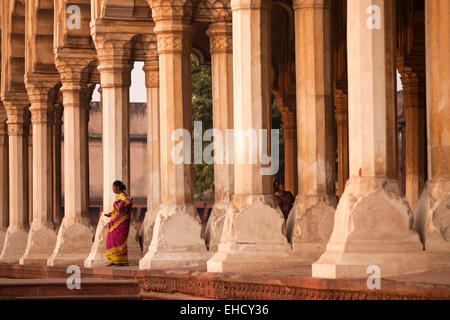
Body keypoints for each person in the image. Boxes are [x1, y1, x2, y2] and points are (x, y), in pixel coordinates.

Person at [104, 180, 133, 266]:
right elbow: (117, 209)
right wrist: (111, 213)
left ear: (118, 188)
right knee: (114, 240)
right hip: (116, 223)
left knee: (119, 240)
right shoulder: (121, 196)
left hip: (121, 223)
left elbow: (128, 203)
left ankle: (120, 261)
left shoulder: (122, 196)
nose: (113, 189)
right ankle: (115, 260)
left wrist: (123, 209)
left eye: (113, 187)